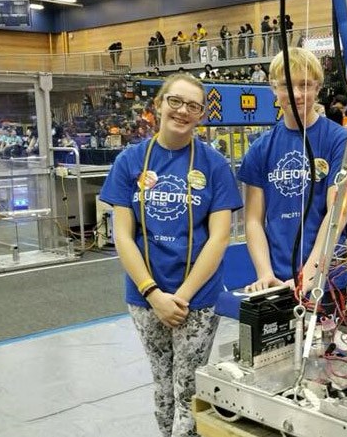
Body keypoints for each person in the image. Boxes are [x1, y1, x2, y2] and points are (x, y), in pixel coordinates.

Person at [99, 73, 242, 437]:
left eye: (193, 106)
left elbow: (219, 238)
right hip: (145, 297)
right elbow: (123, 236)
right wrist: (153, 294)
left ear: (201, 115)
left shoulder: (215, 166)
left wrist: (180, 297)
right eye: (175, 101)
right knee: (162, 384)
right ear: (159, 105)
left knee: (188, 387)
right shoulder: (131, 161)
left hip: (197, 298)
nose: (182, 111)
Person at [238, 48, 347, 298]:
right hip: (278, 279)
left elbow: (338, 213)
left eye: (305, 85)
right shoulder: (260, 149)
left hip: (327, 278)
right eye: (287, 85)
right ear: (274, 88)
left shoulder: (338, 140)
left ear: (318, 87)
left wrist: (311, 273)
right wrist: (265, 273)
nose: (297, 94)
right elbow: (254, 220)